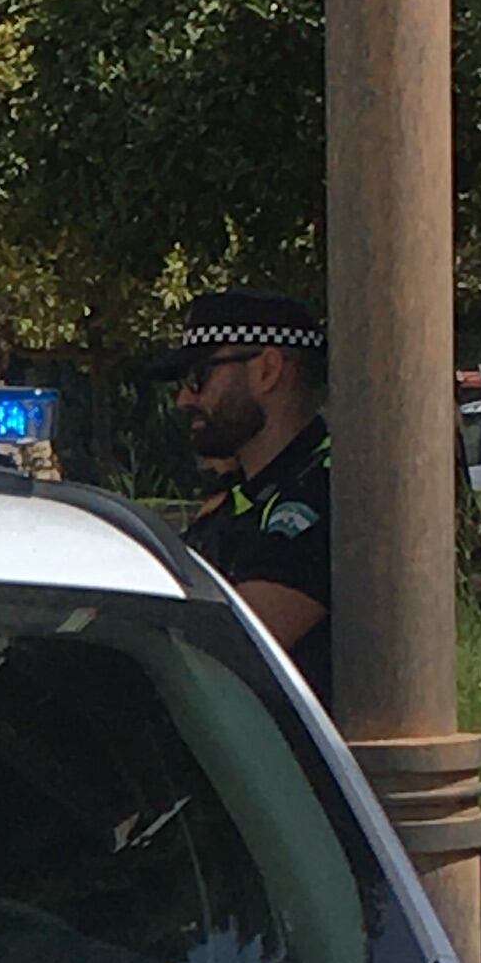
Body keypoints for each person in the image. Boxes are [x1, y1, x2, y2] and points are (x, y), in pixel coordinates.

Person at [171, 289, 335, 683]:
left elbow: (221, 652)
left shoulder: (331, 493)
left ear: (268, 370)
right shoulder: (249, 496)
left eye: (199, 376)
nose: (182, 399)